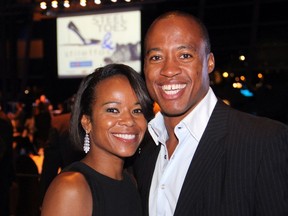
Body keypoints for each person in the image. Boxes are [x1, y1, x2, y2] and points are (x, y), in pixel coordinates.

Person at [133, 11, 288, 216]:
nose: (169, 70)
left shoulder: (263, 141)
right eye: (156, 57)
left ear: (210, 62)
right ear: (145, 67)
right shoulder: (141, 149)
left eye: (185, 55)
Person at [41, 63, 154, 216]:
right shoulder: (71, 188)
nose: (129, 120)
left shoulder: (131, 182)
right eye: (113, 110)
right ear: (87, 122)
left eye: (137, 110)